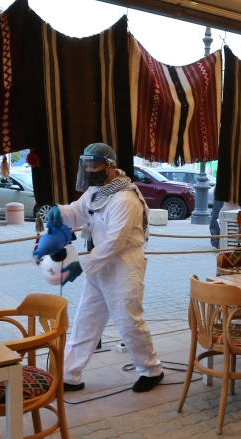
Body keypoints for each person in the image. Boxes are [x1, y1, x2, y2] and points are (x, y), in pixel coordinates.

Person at [47, 143, 164, 393]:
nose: (90, 171)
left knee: (128, 321)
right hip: (99, 262)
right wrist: (59, 211)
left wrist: (81, 265)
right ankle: (69, 375)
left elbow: (114, 242)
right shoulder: (96, 191)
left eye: (95, 166)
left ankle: (151, 370)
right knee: (85, 319)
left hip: (124, 265)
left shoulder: (125, 198)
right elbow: (78, 212)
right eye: (87, 166)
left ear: (110, 166)